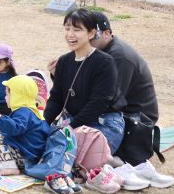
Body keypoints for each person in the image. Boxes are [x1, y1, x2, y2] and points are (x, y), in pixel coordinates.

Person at [90, 12, 173, 186]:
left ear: (107, 33)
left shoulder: (118, 57)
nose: (89, 39)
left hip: (137, 118)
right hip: (123, 109)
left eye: (93, 35)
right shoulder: (100, 52)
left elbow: (109, 98)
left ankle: (122, 166)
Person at [45, 9, 125, 152]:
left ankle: (112, 161)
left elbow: (98, 103)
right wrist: (44, 123)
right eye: (67, 28)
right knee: (44, 145)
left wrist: (70, 127)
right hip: (74, 120)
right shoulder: (64, 61)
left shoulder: (104, 62)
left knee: (69, 154)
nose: (70, 34)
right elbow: (56, 98)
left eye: (77, 29)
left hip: (104, 122)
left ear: (92, 33)